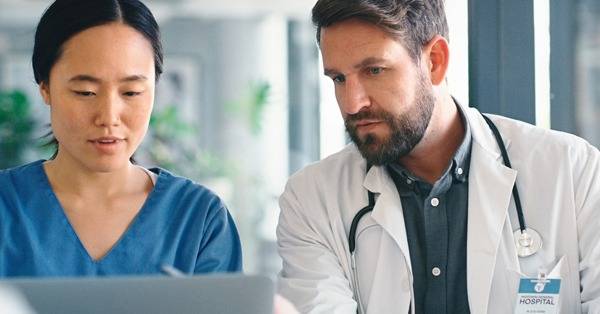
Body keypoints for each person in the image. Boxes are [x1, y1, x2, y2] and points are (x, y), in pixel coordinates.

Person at [276, 0, 600, 313]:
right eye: (338, 79)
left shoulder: (573, 171)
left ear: (435, 61)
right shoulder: (312, 199)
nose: (351, 103)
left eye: (374, 70)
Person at [0, 0, 241, 276]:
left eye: (131, 93)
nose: (109, 116)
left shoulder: (198, 218)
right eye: (85, 92)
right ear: (45, 87)